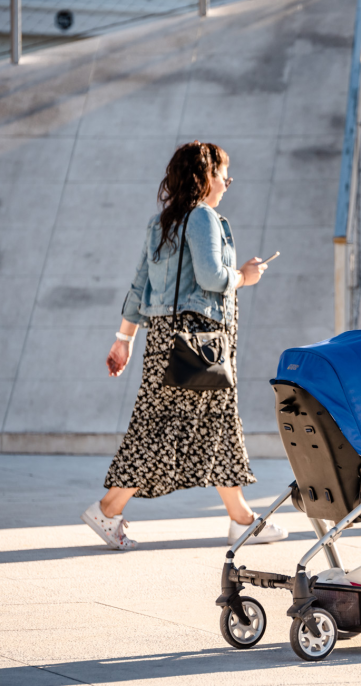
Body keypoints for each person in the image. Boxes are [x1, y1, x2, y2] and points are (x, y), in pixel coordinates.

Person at [81, 141, 286, 550]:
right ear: (205, 176)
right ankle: (107, 509)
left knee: (216, 424)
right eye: (224, 172)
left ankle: (241, 517)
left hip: (165, 339)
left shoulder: (161, 222)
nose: (228, 180)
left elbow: (140, 286)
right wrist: (246, 276)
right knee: (162, 428)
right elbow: (212, 277)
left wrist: (123, 340)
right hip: (199, 341)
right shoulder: (204, 218)